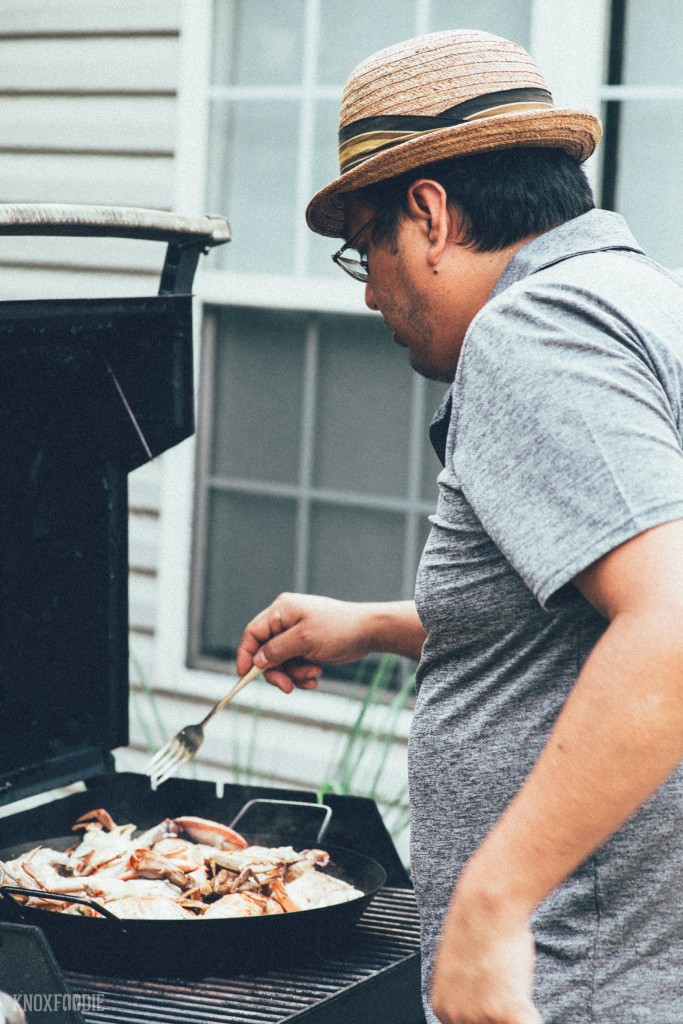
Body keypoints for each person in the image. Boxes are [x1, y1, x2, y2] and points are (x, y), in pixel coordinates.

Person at [235, 29, 683, 1024]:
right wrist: (379, 624)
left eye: (366, 244)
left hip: (568, 982)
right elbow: (582, 621)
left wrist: (491, 901)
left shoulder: (534, 331)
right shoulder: (646, 302)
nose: (366, 290)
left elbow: (668, 626)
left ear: (429, 214)